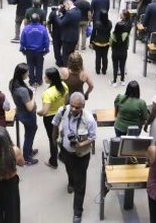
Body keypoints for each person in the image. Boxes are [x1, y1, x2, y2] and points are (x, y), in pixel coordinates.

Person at [52, 92, 97, 223]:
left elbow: (92, 137)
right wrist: (54, 139)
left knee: (80, 184)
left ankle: (77, 212)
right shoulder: (63, 111)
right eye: (72, 106)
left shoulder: (89, 119)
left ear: (83, 106)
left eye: (77, 107)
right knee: (69, 170)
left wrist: (80, 144)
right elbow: (55, 123)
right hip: (66, 151)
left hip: (81, 155)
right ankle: (70, 181)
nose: (73, 109)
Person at [38, 67, 68, 169]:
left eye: (46, 76)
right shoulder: (64, 86)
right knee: (61, 135)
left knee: (52, 139)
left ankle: (53, 161)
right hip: (61, 114)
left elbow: (45, 111)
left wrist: (39, 113)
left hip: (50, 117)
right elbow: (66, 100)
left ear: (50, 79)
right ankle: (63, 155)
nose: (44, 78)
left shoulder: (48, 93)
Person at [9, 63, 38, 165]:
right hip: (28, 115)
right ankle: (27, 157)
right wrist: (34, 93)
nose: (29, 74)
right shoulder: (23, 91)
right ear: (22, 74)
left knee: (28, 132)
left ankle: (29, 150)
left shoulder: (12, 83)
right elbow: (30, 108)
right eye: (27, 73)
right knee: (30, 133)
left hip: (20, 112)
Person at [19, 13, 50, 87]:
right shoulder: (43, 29)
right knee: (39, 66)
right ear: (39, 19)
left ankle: (32, 81)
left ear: (30, 20)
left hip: (29, 51)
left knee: (30, 66)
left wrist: (22, 49)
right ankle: (39, 81)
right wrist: (46, 49)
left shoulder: (26, 29)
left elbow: (22, 40)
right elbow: (46, 40)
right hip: (39, 52)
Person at [110, 9, 132, 86]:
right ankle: (122, 80)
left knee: (115, 66)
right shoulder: (126, 34)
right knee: (122, 65)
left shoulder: (114, 36)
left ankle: (115, 81)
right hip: (123, 50)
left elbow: (111, 43)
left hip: (115, 51)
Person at [91, 10, 112, 75]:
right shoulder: (110, 23)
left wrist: (91, 41)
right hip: (107, 41)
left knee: (98, 56)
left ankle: (97, 70)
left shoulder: (97, 23)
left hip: (98, 42)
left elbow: (93, 33)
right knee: (105, 56)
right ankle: (104, 70)